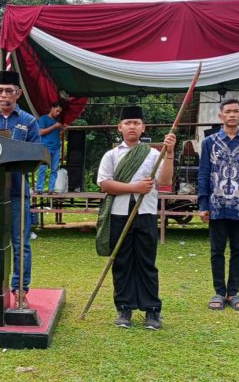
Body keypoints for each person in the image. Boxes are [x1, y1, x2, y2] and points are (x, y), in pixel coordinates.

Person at [96, 106, 175, 330]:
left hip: (145, 213)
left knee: (146, 262)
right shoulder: (111, 155)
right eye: (128, 123)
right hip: (118, 214)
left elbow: (165, 180)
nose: (132, 126)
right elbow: (105, 184)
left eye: (136, 123)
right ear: (119, 127)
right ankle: (124, 308)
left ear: (143, 128)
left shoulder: (152, 154)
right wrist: (135, 187)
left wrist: (169, 153)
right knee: (122, 262)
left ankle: (152, 310)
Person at [0, 70, 41, 308]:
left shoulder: (28, 121)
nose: (3, 95)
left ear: (18, 93)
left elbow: (37, 153)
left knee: (20, 243)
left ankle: (20, 290)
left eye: (8, 91)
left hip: (17, 192)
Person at [198, 98, 239, 312]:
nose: (232, 114)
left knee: (238, 250)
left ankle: (233, 292)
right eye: (228, 111)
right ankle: (218, 291)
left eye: (235, 111)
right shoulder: (209, 142)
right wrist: (203, 204)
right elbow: (204, 173)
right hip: (216, 205)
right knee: (216, 250)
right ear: (220, 116)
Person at [35, 102, 64, 194]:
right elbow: (40, 132)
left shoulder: (56, 121)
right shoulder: (43, 118)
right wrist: (54, 126)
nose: (58, 113)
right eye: (57, 111)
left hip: (56, 147)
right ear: (52, 108)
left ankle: (51, 189)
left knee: (54, 169)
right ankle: (39, 189)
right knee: (42, 168)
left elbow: (56, 134)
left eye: (59, 112)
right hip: (46, 147)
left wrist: (62, 130)